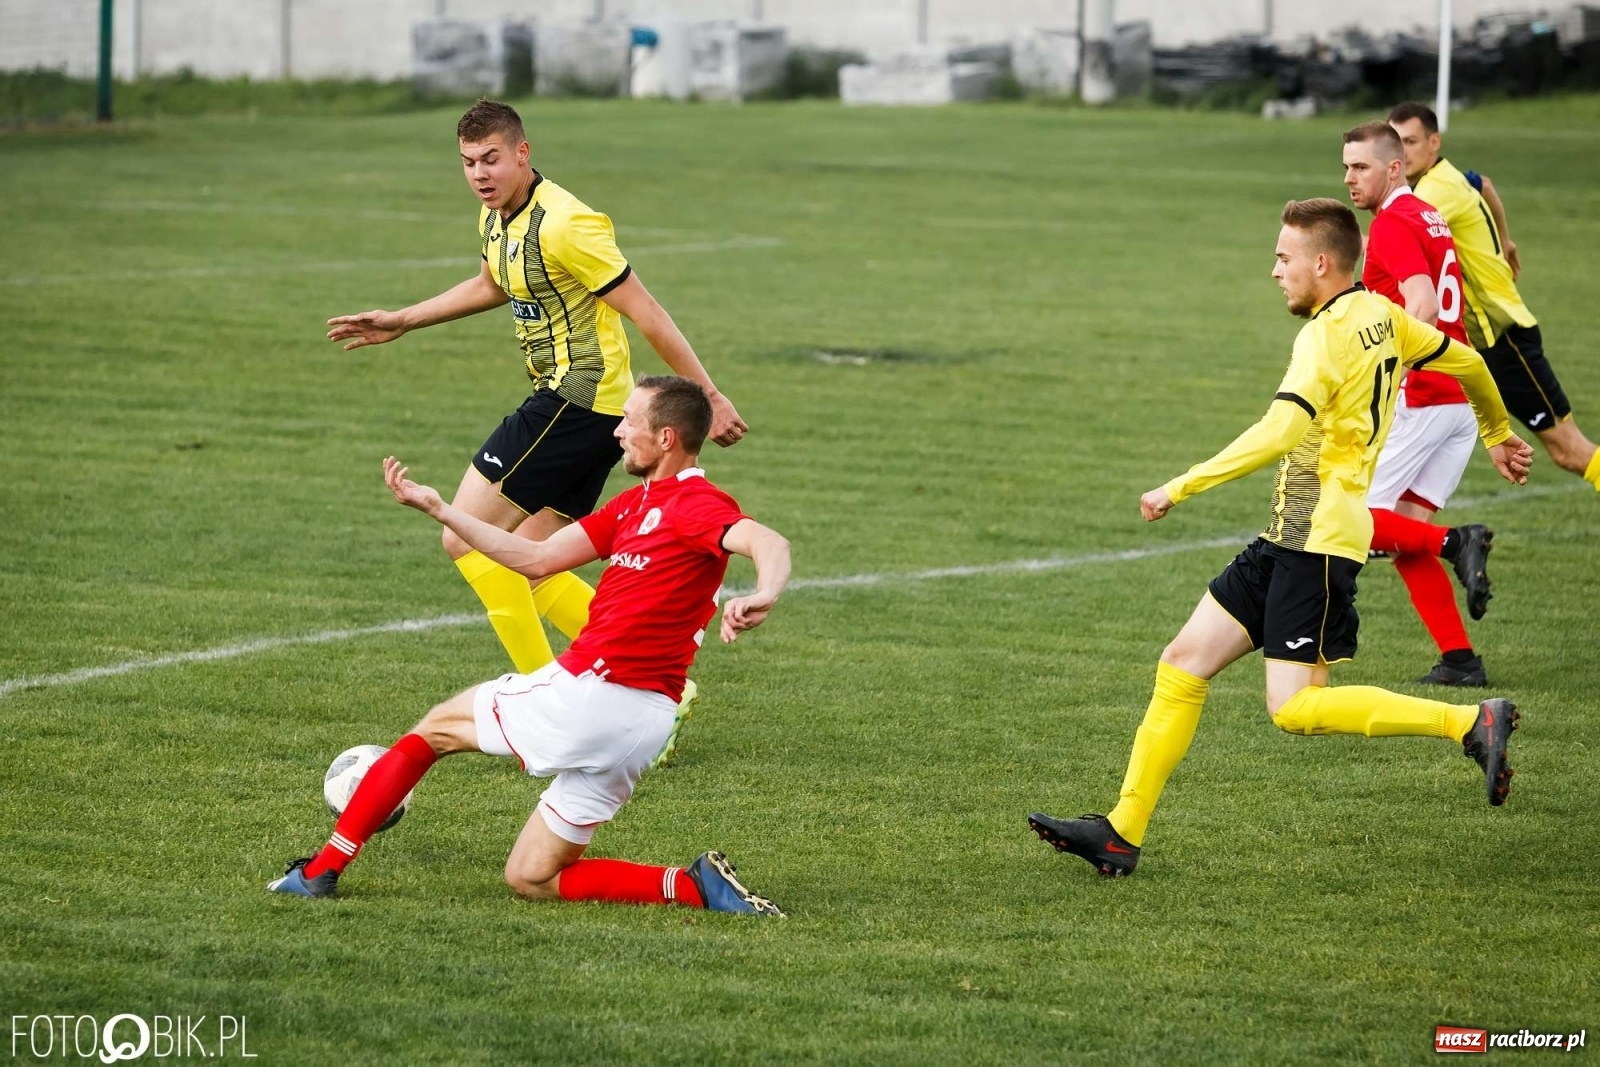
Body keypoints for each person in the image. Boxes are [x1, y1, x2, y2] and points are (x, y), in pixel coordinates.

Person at [1028, 199, 1534, 878]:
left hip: (1318, 541)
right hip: (1291, 533)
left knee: (1295, 708)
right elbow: (1469, 360)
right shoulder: (1384, 317)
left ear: (1321, 263)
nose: (1274, 271)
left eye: (1283, 258)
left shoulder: (1323, 339)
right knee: (1183, 661)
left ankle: (1470, 721)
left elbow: (1278, 432)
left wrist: (1180, 485)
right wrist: (1497, 433)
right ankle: (1121, 831)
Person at [327, 100, 748, 764]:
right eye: (468, 163)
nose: (480, 175)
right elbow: (494, 282)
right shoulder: (500, 216)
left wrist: (710, 393)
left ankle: (546, 706)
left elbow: (647, 312)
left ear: (522, 153)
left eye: (492, 159)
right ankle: (656, 687)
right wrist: (404, 318)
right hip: (580, 406)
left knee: (462, 536)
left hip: (576, 400)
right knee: (531, 554)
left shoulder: (568, 223)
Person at [269, 377, 788, 916]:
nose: (616, 431)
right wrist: (443, 511)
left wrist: (766, 591)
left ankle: (319, 870)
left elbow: (767, 540)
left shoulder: (695, 503)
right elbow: (534, 559)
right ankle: (696, 886)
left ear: (665, 438)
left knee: (434, 731)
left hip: (595, 694)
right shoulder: (634, 505)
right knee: (532, 875)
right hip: (645, 724)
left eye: (629, 420)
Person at [1342, 120, 1494, 687]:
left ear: (1395, 167)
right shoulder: (1427, 215)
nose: (1351, 178)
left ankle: (1460, 541)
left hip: (1424, 395)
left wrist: (1391, 372)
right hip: (1457, 400)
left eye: (1361, 167)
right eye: (1346, 168)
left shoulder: (1392, 223)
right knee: (1406, 536)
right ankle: (1460, 660)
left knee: (1356, 522)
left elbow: (1423, 306)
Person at [1389, 101, 1600, 490]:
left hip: (1502, 338)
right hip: (1481, 342)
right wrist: (1506, 240)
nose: (1400, 153)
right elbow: (1485, 183)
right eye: (1394, 142)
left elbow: (1396, 237)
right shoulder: (1449, 177)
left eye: (1410, 141)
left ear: (1434, 142)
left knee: (1569, 451)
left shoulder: (1433, 192)